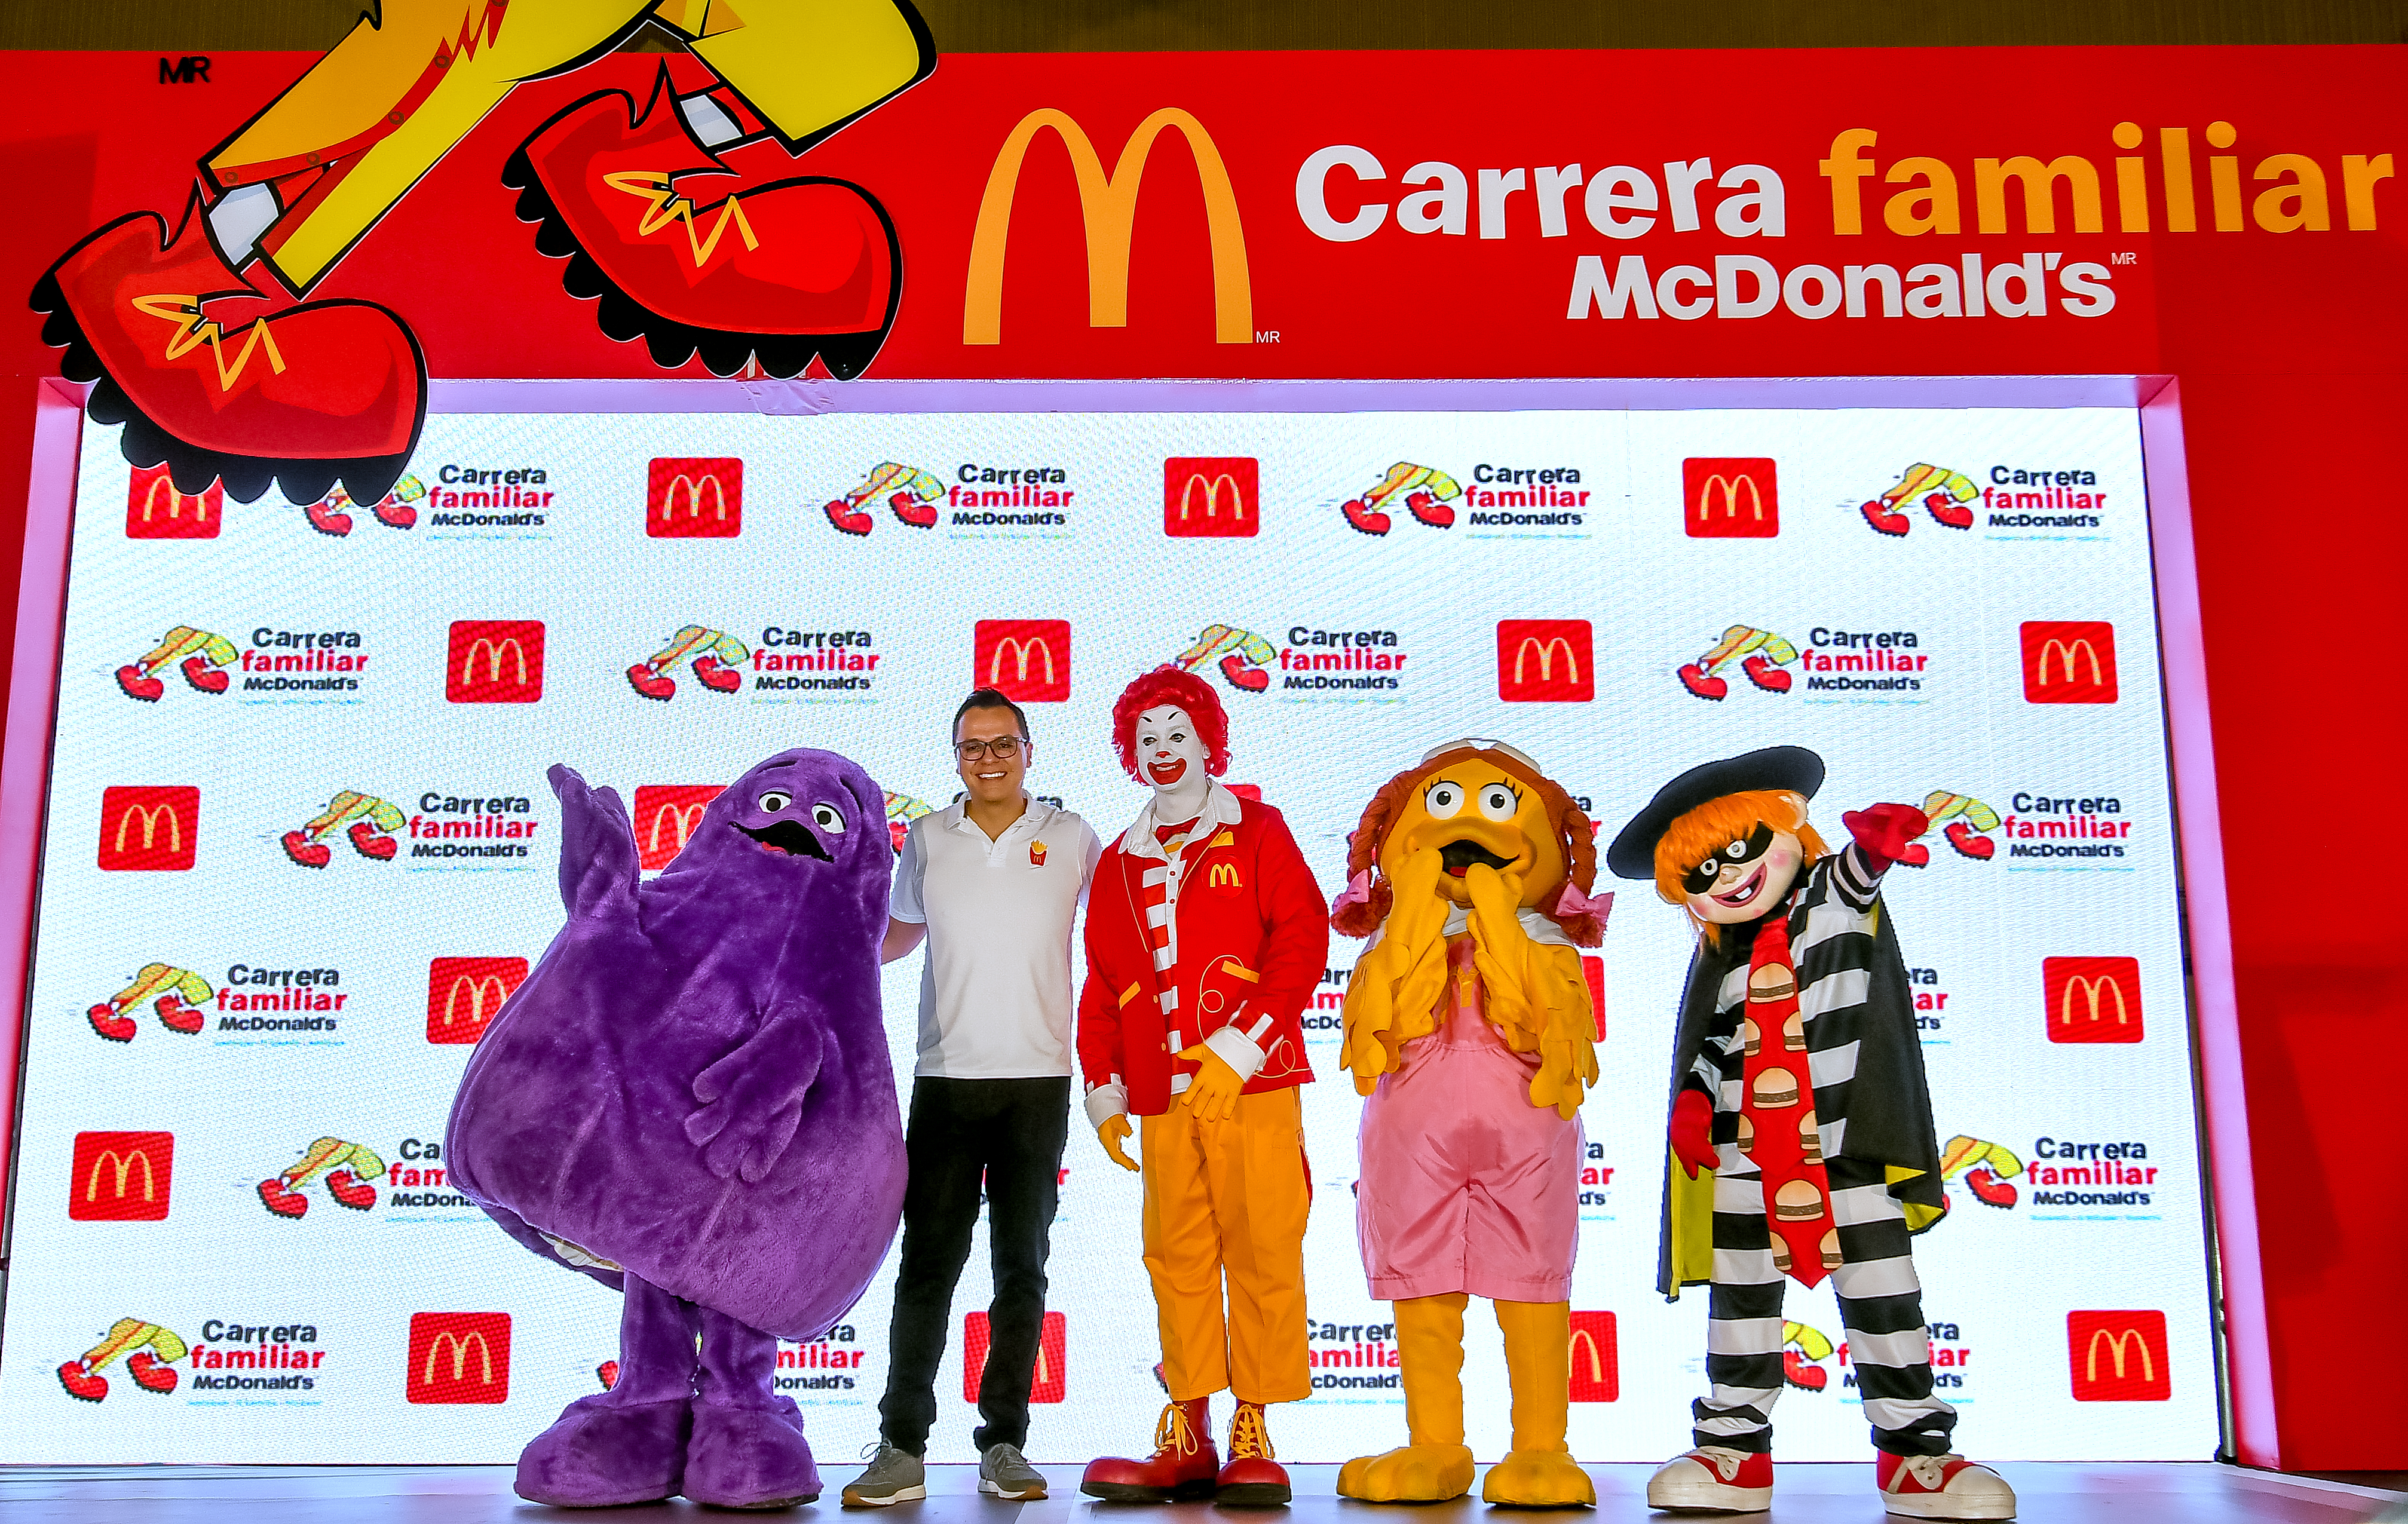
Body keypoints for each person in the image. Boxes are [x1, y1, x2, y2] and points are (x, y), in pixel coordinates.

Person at [1605, 746, 2015, 1522]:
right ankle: (1731, 1450)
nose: (1726, 878)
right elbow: (1715, 1043)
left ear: (1791, 833)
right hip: (1741, 1160)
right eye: (1699, 877)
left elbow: (1853, 880)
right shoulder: (1722, 967)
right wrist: (1693, 1104)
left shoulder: (1827, 904)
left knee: (1882, 1296)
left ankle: (1916, 1455)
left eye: (1739, 851)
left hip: (1844, 1151)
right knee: (1739, 1305)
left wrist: (1874, 848)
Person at [842, 689, 1101, 1507]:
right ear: (955, 757)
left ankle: (1005, 1444)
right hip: (945, 1082)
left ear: (1029, 750)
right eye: (971, 747)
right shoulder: (925, 839)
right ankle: (901, 1445)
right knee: (927, 1267)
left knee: (1020, 1271)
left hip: (1038, 1083)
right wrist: (822, 970)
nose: (987, 759)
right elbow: (900, 931)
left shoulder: (1072, 838)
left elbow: (1118, 938)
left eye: (1002, 744)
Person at [1075, 667, 1326, 1507]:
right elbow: (1104, 986)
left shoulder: (1259, 831)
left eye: (1175, 734)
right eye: (1145, 740)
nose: (1161, 751)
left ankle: (1254, 1423)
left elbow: (1300, 939)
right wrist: (1104, 1092)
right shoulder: (1116, 862)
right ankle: (1188, 1424)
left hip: (1251, 1087)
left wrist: (1238, 1049)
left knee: (1261, 1244)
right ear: (1129, 757)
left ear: (1207, 740)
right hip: (1161, 1098)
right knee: (1175, 1255)